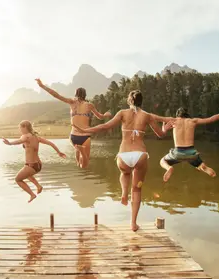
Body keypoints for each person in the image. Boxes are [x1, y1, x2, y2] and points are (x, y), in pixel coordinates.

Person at [73, 90, 172, 231]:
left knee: (125, 173)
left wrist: (85, 130)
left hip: (123, 156)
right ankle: (133, 223)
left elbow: (105, 126)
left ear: (128, 101)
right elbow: (160, 135)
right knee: (137, 189)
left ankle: (124, 192)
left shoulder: (122, 113)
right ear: (141, 101)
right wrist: (164, 127)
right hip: (140, 155)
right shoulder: (147, 116)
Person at [35, 78, 112, 168]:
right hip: (85, 136)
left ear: (76, 94)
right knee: (84, 165)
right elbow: (100, 117)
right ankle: (82, 152)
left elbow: (56, 95)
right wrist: (106, 114)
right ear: (85, 95)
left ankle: (79, 150)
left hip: (73, 136)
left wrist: (42, 86)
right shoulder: (90, 105)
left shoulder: (72, 102)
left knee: (78, 164)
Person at [153, 107, 219, 182]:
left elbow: (157, 117)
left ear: (177, 115)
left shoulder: (173, 120)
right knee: (195, 161)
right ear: (187, 114)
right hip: (191, 153)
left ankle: (169, 168)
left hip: (178, 153)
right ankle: (202, 166)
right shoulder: (193, 121)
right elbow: (211, 119)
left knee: (162, 161)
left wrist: (147, 116)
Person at [3, 120, 66, 203]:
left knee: (18, 179)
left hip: (31, 165)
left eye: (20, 128)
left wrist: (10, 143)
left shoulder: (25, 136)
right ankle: (38, 186)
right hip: (38, 165)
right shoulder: (36, 137)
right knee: (26, 174)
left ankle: (32, 194)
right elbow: (50, 143)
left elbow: (19, 141)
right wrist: (58, 152)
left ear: (25, 127)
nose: (20, 130)